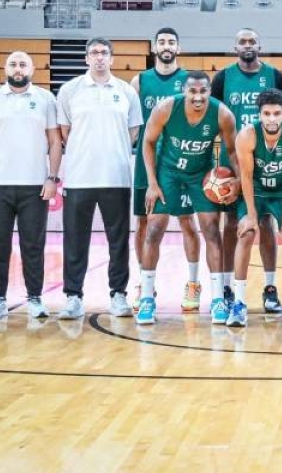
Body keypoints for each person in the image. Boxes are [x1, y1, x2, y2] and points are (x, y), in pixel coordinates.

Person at [138, 71, 239, 325]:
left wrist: (238, 180)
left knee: (212, 231)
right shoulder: (165, 108)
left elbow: (232, 150)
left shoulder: (222, 114)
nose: (198, 97)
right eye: (192, 91)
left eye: (203, 91)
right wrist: (152, 183)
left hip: (201, 175)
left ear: (209, 92)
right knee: (154, 229)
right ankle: (147, 297)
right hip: (168, 172)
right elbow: (148, 142)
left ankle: (217, 299)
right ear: (184, 91)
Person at [0, 51, 62, 321]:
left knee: (33, 245)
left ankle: (35, 298)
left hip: (35, 186)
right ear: (5, 68)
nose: (18, 68)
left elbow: (55, 141)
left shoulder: (46, 99)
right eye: (13, 64)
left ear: (32, 69)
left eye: (23, 64)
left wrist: (52, 177)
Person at [56, 38, 143, 320]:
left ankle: (118, 295)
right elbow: (64, 132)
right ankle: (73, 297)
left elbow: (133, 132)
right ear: (86, 58)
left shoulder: (126, 92)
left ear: (112, 58)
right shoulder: (70, 90)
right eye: (93, 53)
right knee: (75, 240)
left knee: (118, 241)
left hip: (116, 177)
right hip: (79, 177)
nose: (99, 57)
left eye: (104, 52)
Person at [211, 27, 282, 313]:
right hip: (233, 161)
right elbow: (216, 119)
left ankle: (269, 288)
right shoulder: (223, 78)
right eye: (242, 42)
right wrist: (220, 164)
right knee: (232, 224)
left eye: (252, 41)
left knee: (267, 224)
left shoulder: (276, 77)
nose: (248, 45)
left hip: (267, 160)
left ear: (260, 46)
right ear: (235, 48)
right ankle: (226, 287)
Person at [130, 27, 202, 310]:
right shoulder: (140, 81)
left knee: (187, 221)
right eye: (161, 42)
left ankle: (193, 283)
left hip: (179, 159)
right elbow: (131, 122)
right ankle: (144, 283)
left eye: (171, 42)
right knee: (143, 223)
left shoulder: (188, 81)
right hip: (146, 160)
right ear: (154, 48)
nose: (166, 46)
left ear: (178, 48)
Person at [227, 89, 282, 328]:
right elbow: (246, 176)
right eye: (267, 114)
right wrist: (251, 215)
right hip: (256, 189)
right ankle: (239, 302)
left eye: (277, 113)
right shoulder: (246, 136)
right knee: (246, 233)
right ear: (259, 114)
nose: (272, 119)